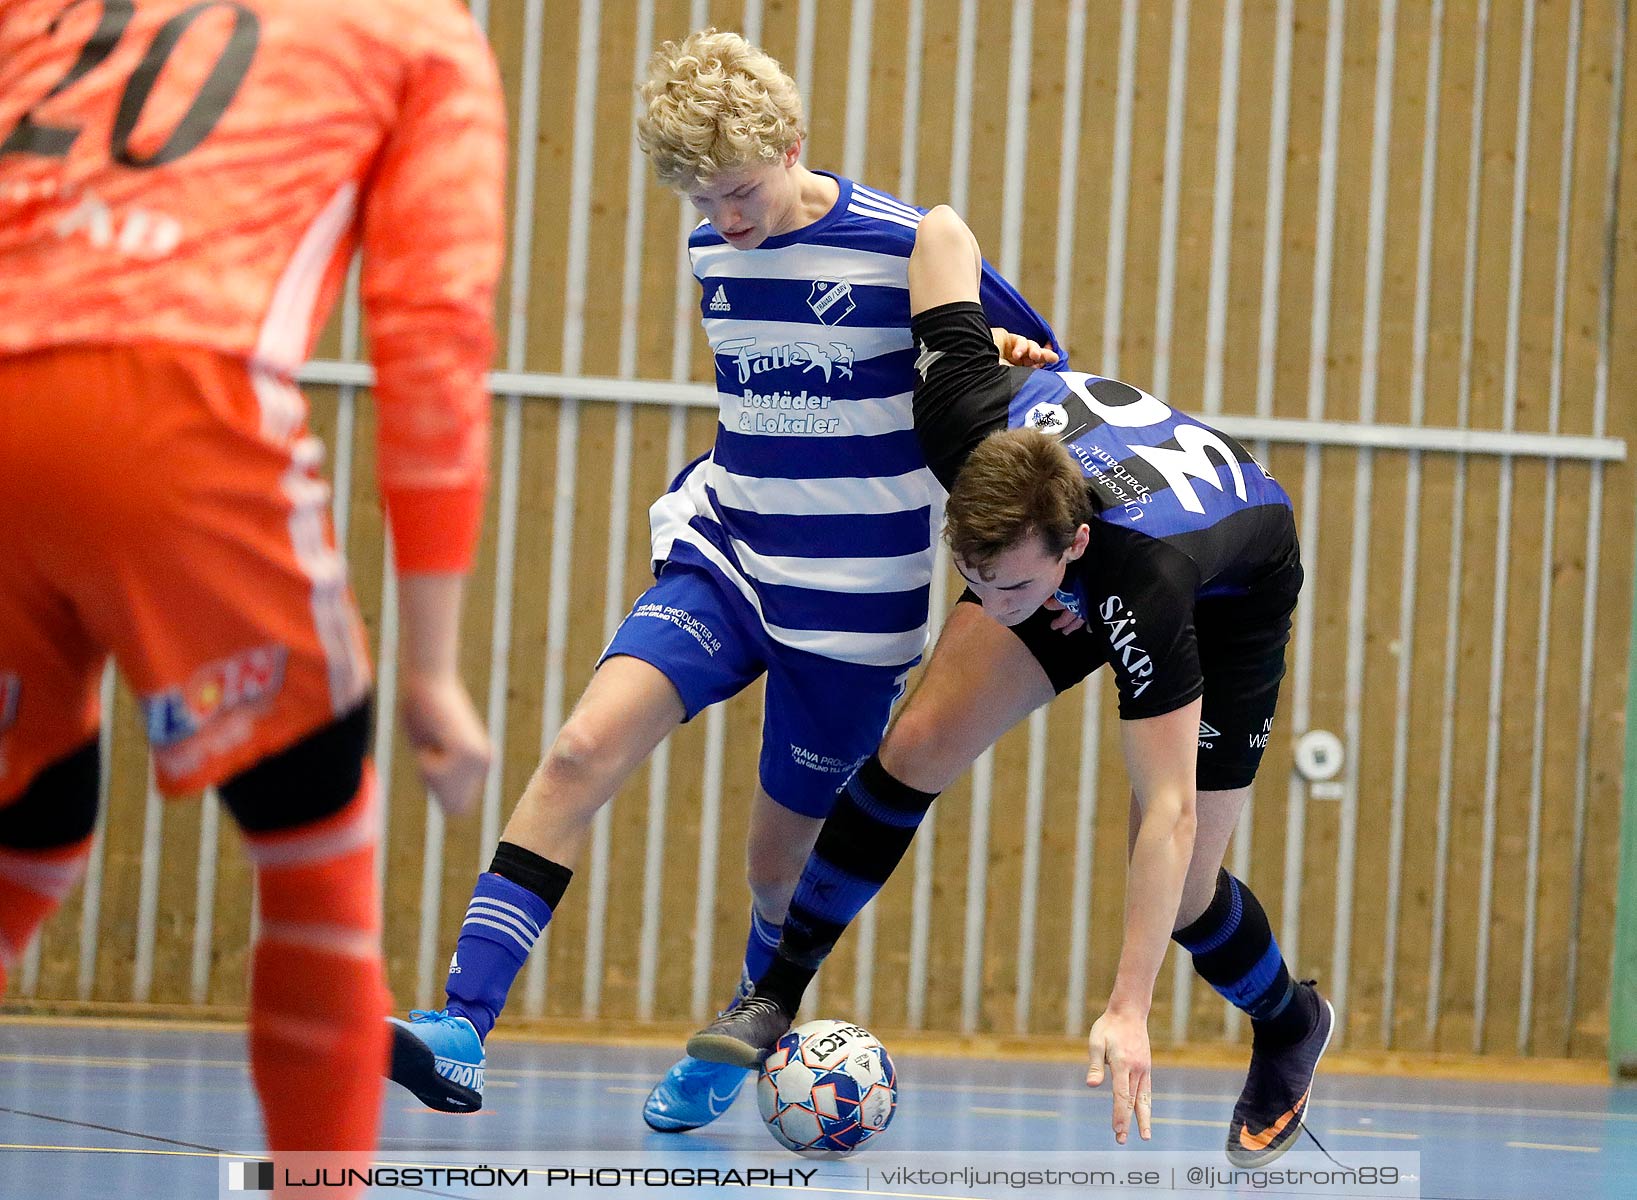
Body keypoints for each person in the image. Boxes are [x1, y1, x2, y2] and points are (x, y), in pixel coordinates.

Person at [385, 28, 1062, 1131]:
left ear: (793, 145)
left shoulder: (902, 244)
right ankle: (461, 1027)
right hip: (727, 555)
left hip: (852, 607)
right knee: (577, 749)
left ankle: (742, 1030)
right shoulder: (712, 249)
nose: (727, 223)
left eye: (741, 193)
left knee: (774, 867)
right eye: (703, 202)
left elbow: (1026, 378)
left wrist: (1006, 356)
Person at [688, 205, 1335, 1169]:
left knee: (1186, 895)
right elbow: (943, 230)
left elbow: (1167, 814)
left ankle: (1288, 1020)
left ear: (1071, 547)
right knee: (911, 753)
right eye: (976, 582)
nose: (990, 607)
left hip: (1224, 580)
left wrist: (1129, 1006)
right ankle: (774, 989)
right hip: (1083, 530)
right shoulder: (960, 411)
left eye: (1014, 589)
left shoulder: (1143, 585)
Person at [0, 0, 503, 1188]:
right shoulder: (422, 38)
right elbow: (433, 332)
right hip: (176, 406)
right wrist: (430, 667)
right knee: (315, 853)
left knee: (34, 817)